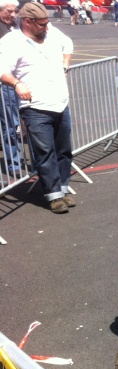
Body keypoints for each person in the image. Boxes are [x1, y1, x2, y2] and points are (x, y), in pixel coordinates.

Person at [0, 2, 75, 213]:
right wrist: (16, 83)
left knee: (64, 150)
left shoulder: (51, 35)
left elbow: (68, 44)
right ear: (27, 21)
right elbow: (2, 70)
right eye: (41, 24)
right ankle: (53, 196)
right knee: (45, 151)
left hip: (60, 102)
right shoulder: (12, 42)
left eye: (46, 23)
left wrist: (65, 64)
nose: (45, 27)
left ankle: (63, 188)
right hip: (35, 107)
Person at [0, 0, 22, 177]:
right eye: (9, 11)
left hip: (21, 79)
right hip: (6, 82)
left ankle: (18, 159)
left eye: (16, 11)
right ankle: (14, 162)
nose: (13, 15)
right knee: (10, 123)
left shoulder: (17, 25)